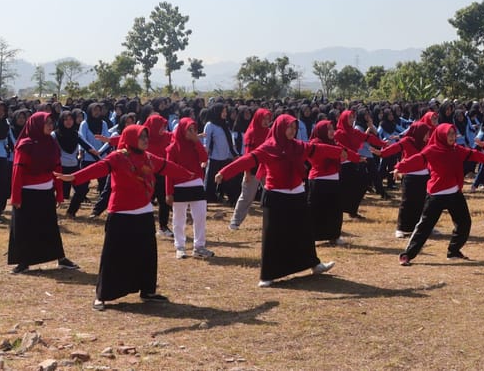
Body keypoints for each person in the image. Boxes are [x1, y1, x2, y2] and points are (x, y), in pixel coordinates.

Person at [59, 125, 193, 309]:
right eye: (142, 137)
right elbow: (99, 168)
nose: (146, 140)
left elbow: (167, 166)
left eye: (147, 136)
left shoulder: (148, 158)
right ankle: (102, 295)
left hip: (144, 213)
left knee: (146, 255)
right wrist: (74, 177)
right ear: (131, 138)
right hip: (121, 213)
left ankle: (147, 291)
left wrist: (188, 175)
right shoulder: (118, 157)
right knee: (113, 256)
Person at [215, 115, 339, 286]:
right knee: (273, 237)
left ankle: (314, 264)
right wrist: (224, 172)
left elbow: (319, 149)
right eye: (289, 127)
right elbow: (248, 159)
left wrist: (342, 153)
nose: (293, 131)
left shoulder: (298, 146)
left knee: (304, 232)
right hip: (276, 195)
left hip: (297, 193)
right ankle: (267, 275)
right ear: (280, 128)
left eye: (295, 128)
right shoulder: (268, 147)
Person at [395, 123, 484, 265]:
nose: (452, 137)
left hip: (454, 193)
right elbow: (417, 159)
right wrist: (400, 167)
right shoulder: (432, 150)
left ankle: (453, 251)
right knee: (424, 227)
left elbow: (472, 154)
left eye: (454, 134)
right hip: (436, 195)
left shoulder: (456, 150)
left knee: (464, 223)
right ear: (441, 135)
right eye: (449, 134)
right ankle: (407, 255)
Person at [8, 112, 79, 274]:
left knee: (50, 227)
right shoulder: (25, 145)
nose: (49, 125)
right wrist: (16, 196)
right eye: (46, 122)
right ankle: (23, 262)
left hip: (46, 192)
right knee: (24, 229)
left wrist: (59, 193)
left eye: (51, 122)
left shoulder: (51, 143)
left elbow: (57, 169)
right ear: (36, 124)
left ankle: (61, 258)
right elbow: (17, 173)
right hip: (27, 194)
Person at [378, 114, 435, 238]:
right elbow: (394, 148)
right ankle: (401, 228)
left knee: (424, 203)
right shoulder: (407, 141)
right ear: (419, 133)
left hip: (424, 176)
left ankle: (424, 226)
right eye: (426, 133)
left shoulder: (426, 143)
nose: (428, 136)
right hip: (410, 177)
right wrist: (381, 153)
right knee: (407, 202)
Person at [165, 118, 213, 259]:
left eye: (194, 129)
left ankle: (199, 247)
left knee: (200, 217)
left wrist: (196, 141)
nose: (192, 132)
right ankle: (180, 246)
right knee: (179, 219)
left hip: (196, 184)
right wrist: (169, 192)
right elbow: (168, 171)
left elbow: (204, 159)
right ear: (182, 130)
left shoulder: (195, 145)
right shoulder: (172, 148)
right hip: (179, 186)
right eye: (189, 129)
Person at [230, 107, 271, 230]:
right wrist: (246, 172)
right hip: (252, 169)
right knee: (247, 196)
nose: (266, 121)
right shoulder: (251, 133)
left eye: (268, 119)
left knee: (271, 194)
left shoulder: (269, 132)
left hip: (266, 168)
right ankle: (235, 222)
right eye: (264, 118)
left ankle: (273, 219)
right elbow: (248, 154)